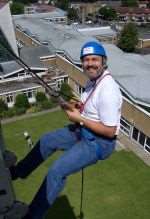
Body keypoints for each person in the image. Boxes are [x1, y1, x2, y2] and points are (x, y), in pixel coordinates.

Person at [10, 41, 122, 219]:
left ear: (104, 61)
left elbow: (109, 131)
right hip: (83, 131)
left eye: (95, 59)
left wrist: (80, 119)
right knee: (47, 140)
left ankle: (32, 216)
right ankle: (18, 172)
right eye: (86, 60)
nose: (90, 63)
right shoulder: (93, 82)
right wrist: (67, 104)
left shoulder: (108, 90)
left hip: (99, 142)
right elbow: (88, 107)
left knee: (57, 171)